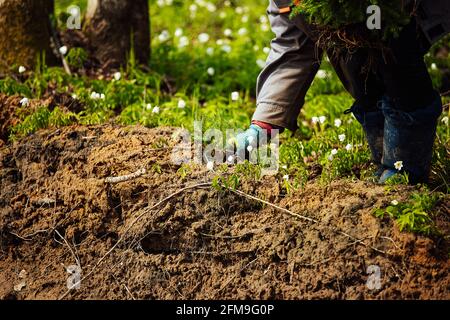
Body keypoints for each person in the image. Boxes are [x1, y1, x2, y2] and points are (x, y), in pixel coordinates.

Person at [235, 0, 449, 184]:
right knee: (354, 63)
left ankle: (406, 171)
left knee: (395, 58)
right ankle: (386, 163)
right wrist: (265, 122)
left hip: (398, 15)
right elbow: (291, 47)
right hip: (353, 35)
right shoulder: (283, 2)